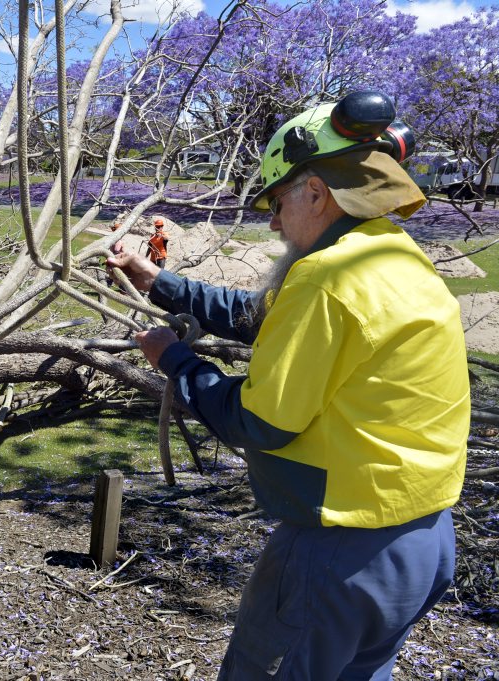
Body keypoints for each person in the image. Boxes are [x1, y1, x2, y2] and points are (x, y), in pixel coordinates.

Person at [107, 92, 468, 678]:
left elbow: (258, 422)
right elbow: (261, 314)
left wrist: (173, 359)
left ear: (316, 192)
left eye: (276, 202)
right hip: (422, 542)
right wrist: (158, 281)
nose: (272, 221)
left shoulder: (326, 277)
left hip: (340, 553)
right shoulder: (388, 254)